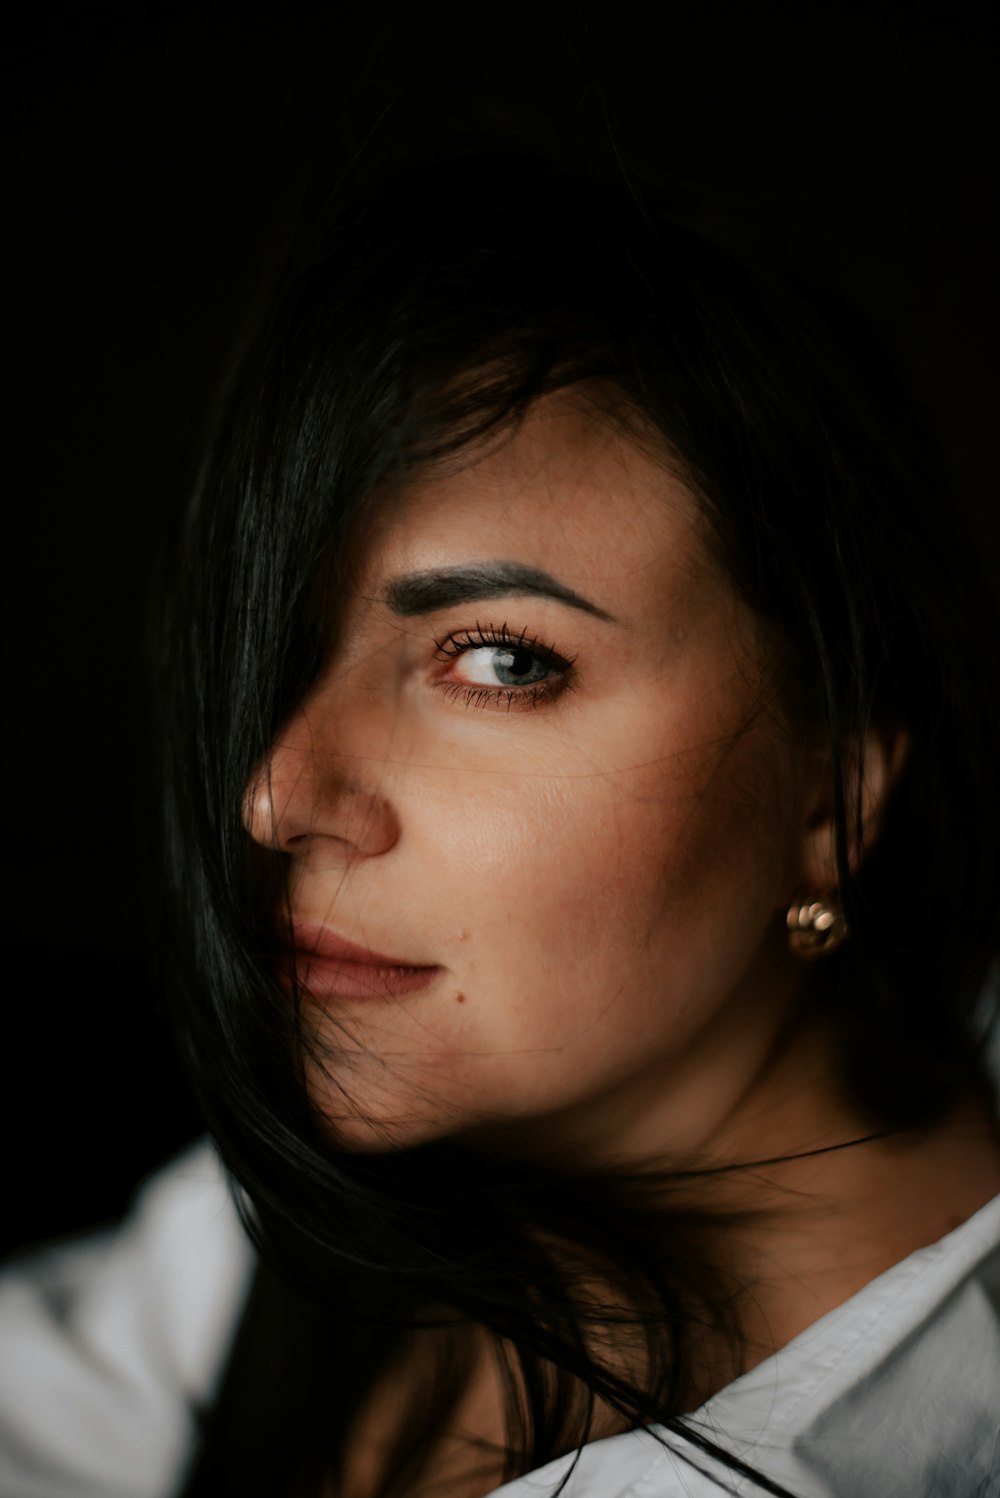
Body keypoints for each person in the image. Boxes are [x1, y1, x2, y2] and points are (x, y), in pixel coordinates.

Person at [3, 152, 999, 1498]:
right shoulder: (425, 1144)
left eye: (502, 661)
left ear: (837, 793)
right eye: (283, 639)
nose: (277, 795)